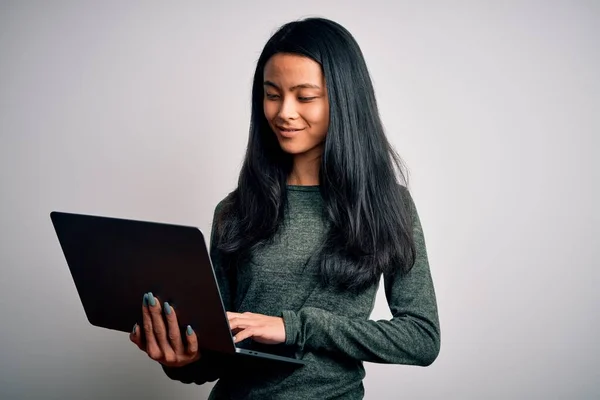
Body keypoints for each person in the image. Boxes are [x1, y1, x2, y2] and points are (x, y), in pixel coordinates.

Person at [130, 16, 440, 399]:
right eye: (272, 94)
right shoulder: (233, 210)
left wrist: (294, 327)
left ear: (343, 99)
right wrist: (179, 358)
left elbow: (421, 337)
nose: (283, 112)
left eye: (304, 97)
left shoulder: (386, 206)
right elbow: (220, 350)